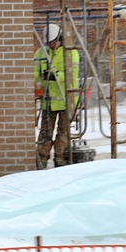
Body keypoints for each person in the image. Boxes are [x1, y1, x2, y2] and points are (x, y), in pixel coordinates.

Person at [34, 23, 80, 169]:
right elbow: (33, 73)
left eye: (55, 42)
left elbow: (71, 73)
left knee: (63, 133)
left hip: (67, 101)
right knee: (45, 133)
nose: (52, 45)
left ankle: (60, 158)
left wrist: (56, 75)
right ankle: (42, 158)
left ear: (61, 39)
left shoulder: (70, 53)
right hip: (48, 102)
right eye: (50, 42)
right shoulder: (41, 54)